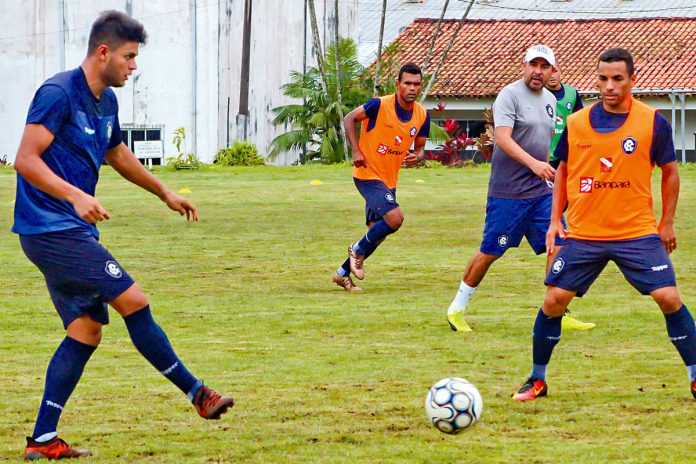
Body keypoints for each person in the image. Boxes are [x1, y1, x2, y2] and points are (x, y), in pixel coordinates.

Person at [14, 11, 234, 459]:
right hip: (51, 229)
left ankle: (42, 440)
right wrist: (75, 196)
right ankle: (198, 394)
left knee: (86, 330)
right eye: (129, 57)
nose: (133, 66)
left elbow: (117, 153)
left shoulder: (106, 102)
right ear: (103, 52)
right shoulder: (58, 93)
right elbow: (25, 159)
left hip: (69, 230)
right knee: (134, 299)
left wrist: (165, 192)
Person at [512, 48, 696, 402]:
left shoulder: (652, 121)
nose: (609, 86)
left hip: (637, 232)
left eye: (617, 79)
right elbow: (563, 169)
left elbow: (671, 171)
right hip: (583, 232)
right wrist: (554, 222)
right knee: (554, 301)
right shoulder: (577, 122)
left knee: (668, 297)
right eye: (602, 79)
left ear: (631, 79)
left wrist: (667, 222)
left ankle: (695, 376)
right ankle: (537, 380)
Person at [446, 45, 592, 332]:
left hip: (541, 191)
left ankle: (558, 309)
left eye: (544, 66)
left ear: (552, 71)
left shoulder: (551, 100)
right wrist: (535, 165)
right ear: (524, 66)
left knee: (559, 243)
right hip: (508, 193)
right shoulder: (509, 95)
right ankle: (457, 308)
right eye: (533, 64)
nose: (538, 71)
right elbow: (503, 139)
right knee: (491, 251)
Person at [331, 62, 430, 291]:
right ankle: (356, 250)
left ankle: (341, 274)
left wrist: (418, 156)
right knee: (395, 219)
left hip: (389, 180)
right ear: (398, 84)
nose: (412, 88)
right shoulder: (379, 105)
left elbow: (420, 148)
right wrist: (356, 150)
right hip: (367, 173)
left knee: (378, 233)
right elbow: (348, 119)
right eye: (407, 83)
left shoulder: (422, 115)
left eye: (416, 84)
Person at [544, 67, 595, 331]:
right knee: (555, 232)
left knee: (564, 232)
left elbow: (582, 126)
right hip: (540, 166)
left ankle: (558, 304)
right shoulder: (535, 95)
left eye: (554, 70)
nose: (551, 76)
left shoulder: (573, 95)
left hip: (567, 166)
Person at [545, 66, 583, 170]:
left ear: (561, 71)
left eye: (555, 71)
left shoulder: (572, 93)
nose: (552, 76)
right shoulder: (538, 94)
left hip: (567, 153)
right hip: (545, 156)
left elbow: (580, 122)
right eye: (549, 72)